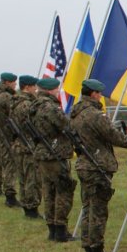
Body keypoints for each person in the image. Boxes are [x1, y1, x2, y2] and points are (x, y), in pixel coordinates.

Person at [69, 79, 127, 252]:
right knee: (98, 211)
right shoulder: (95, 115)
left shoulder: (75, 113)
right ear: (93, 94)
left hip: (84, 164)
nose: (101, 96)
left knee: (88, 208)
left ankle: (89, 249)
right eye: (99, 93)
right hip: (97, 166)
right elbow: (115, 137)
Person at [29, 77, 77, 242]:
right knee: (63, 191)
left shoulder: (34, 107)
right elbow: (67, 126)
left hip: (42, 153)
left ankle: (52, 228)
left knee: (48, 192)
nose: (58, 92)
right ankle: (61, 230)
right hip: (55, 153)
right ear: (50, 90)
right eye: (57, 89)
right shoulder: (50, 108)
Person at [11, 75, 43, 219]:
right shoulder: (27, 105)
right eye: (34, 87)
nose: (36, 89)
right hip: (28, 144)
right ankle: (31, 208)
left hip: (19, 144)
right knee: (31, 178)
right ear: (28, 87)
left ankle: (26, 204)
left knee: (23, 177)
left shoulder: (15, 102)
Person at [0, 72, 19, 206]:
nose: (15, 85)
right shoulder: (6, 97)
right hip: (7, 134)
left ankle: (0, 188)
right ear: (7, 82)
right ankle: (10, 195)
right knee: (9, 164)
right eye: (14, 82)